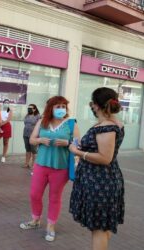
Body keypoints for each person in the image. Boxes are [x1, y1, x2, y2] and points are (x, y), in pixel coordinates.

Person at [69, 87, 124, 250]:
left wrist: (77, 151)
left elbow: (105, 158)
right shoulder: (114, 123)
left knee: (99, 228)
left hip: (99, 182)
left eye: (91, 103)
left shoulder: (106, 126)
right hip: (105, 180)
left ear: (95, 105)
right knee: (103, 226)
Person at [19, 96, 80, 242]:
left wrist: (68, 142)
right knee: (34, 194)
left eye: (63, 106)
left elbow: (78, 144)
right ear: (50, 108)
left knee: (54, 197)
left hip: (61, 167)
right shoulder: (42, 121)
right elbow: (32, 139)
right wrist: (40, 140)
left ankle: (51, 226)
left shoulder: (71, 123)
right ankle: (35, 220)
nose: (61, 109)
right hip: (41, 164)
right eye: (57, 106)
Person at [23, 104, 41, 173]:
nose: (29, 109)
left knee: (34, 150)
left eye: (31, 108)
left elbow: (39, 125)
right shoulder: (27, 115)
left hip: (33, 135)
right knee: (27, 149)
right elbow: (25, 123)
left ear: (34, 109)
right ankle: (26, 163)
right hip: (25, 134)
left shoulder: (38, 116)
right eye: (28, 108)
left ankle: (33, 164)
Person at [0, 99, 12, 163]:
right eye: (5, 102)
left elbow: (8, 119)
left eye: (7, 103)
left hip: (6, 126)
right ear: (3, 103)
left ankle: (3, 156)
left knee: (5, 142)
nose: (6, 103)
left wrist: (1, 124)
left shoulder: (10, 110)